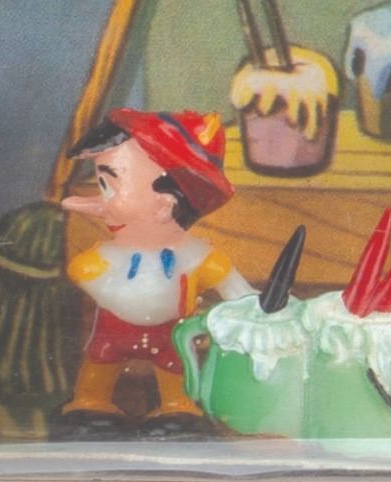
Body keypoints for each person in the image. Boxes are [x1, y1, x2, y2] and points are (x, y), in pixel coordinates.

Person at [57, 108, 255, 439]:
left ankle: (177, 406)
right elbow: (82, 271)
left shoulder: (196, 257)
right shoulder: (109, 256)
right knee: (100, 361)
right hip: (112, 333)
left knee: (175, 366)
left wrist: (254, 307)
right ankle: (91, 401)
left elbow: (238, 291)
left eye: (109, 186)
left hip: (170, 336)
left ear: (165, 205)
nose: (100, 203)